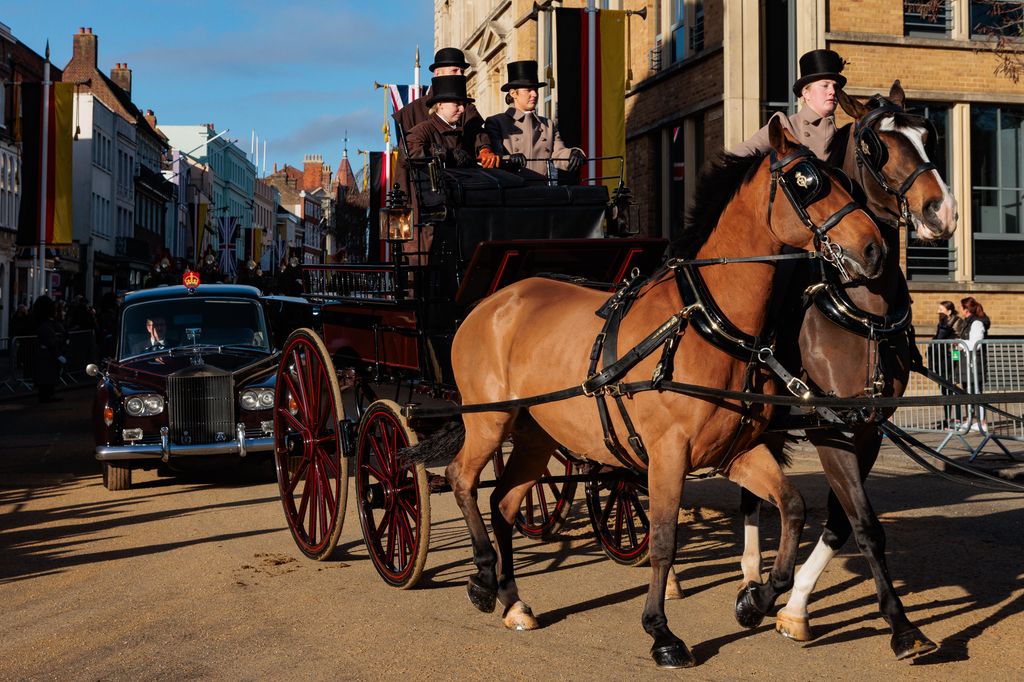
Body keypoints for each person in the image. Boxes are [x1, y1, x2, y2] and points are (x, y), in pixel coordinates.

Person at [732, 49, 847, 162]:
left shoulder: (844, 138)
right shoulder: (786, 126)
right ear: (806, 93)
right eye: (825, 85)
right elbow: (745, 150)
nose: (832, 91)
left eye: (835, 87)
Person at [394, 47, 497, 170]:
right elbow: (408, 152)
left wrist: (485, 149)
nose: (460, 75)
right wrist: (445, 153)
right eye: (454, 70)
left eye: (462, 71)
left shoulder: (467, 109)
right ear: (438, 73)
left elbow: (477, 132)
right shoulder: (410, 112)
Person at [484, 60, 586, 178]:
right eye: (528, 90)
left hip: (542, 190)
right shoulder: (496, 122)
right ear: (513, 93)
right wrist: (509, 160)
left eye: (535, 90)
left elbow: (559, 154)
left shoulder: (547, 124)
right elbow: (495, 157)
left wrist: (573, 154)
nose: (535, 94)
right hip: (512, 191)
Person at [404, 75, 491, 169]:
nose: (462, 109)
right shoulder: (423, 129)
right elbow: (408, 152)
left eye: (463, 104)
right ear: (440, 104)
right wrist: (447, 153)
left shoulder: (461, 131)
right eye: (457, 104)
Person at [959, 296, 991, 431]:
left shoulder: (977, 323)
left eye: (961, 307)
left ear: (966, 309)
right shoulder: (967, 322)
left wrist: (959, 343)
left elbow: (975, 344)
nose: (960, 310)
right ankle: (970, 419)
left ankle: (982, 422)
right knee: (967, 391)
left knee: (977, 391)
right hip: (967, 362)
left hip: (975, 362)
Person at [930, 300, 963, 427]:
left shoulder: (956, 321)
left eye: (941, 309)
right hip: (941, 358)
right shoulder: (942, 322)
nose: (938, 312)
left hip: (952, 356)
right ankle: (947, 418)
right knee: (944, 388)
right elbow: (937, 338)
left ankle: (958, 418)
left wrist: (955, 358)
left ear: (949, 311)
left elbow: (957, 338)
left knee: (954, 387)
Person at [30, 295, 66, 403]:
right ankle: (46, 395)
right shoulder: (45, 325)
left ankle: (47, 394)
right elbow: (50, 340)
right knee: (47, 375)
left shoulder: (40, 323)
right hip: (46, 355)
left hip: (44, 354)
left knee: (47, 375)